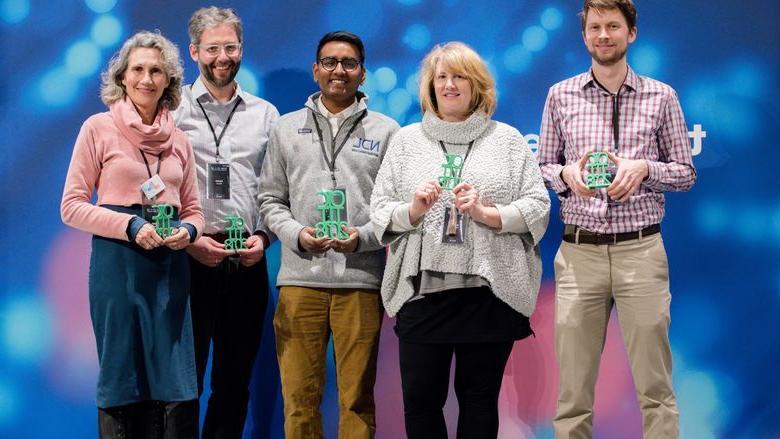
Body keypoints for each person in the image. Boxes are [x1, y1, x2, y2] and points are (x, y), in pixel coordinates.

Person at [370, 42, 550, 439]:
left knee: (480, 401)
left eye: (460, 76)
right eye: (441, 77)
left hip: (488, 294)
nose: (450, 85)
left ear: (477, 84)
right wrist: (413, 210)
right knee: (420, 403)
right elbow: (379, 208)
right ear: (430, 87)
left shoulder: (507, 140)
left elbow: (538, 205)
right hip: (423, 294)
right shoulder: (406, 140)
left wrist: (490, 215)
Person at [537, 1, 696, 437]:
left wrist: (645, 169)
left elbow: (685, 173)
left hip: (641, 251)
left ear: (632, 33)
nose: (603, 35)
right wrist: (567, 175)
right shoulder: (559, 94)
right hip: (578, 253)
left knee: (656, 386)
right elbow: (543, 167)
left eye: (613, 26)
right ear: (584, 35)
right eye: (595, 27)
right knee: (572, 392)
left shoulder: (661, 96)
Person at [61, 31, 203, 438]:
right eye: (138, 69)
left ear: (169, 81)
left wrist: (189, 230)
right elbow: (71, 206)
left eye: (156, 70)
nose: (147, 78)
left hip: (170, 269)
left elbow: (193, 210)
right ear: (122, 77)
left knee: (173, 380)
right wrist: (130, 225)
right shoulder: (98, 128)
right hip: (118, 266)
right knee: (123, 376)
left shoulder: (179, 141)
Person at [257, 31, 399, 438]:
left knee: (357, 400)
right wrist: (299, 234)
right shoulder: (286, 129)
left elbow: (394, 210)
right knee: (299, 400)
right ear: (316, 70)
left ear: (363, 74)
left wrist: (363, 238)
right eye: (330, 62)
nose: (339, 71)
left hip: (360, 281)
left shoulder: (388, 131)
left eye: (349, 63)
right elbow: (269, 201)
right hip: (300, 282)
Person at [172, 7, 279, 438]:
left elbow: (276, 189)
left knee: (234, 383)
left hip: (245, 258)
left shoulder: (265, 114)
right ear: (195, 50)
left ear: (241, 49)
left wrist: (265, 237)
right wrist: (188, 240)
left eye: (230, 47)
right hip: (188, 256)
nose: (222, 56)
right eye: (212, 47)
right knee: (184, 382)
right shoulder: (171, 108)